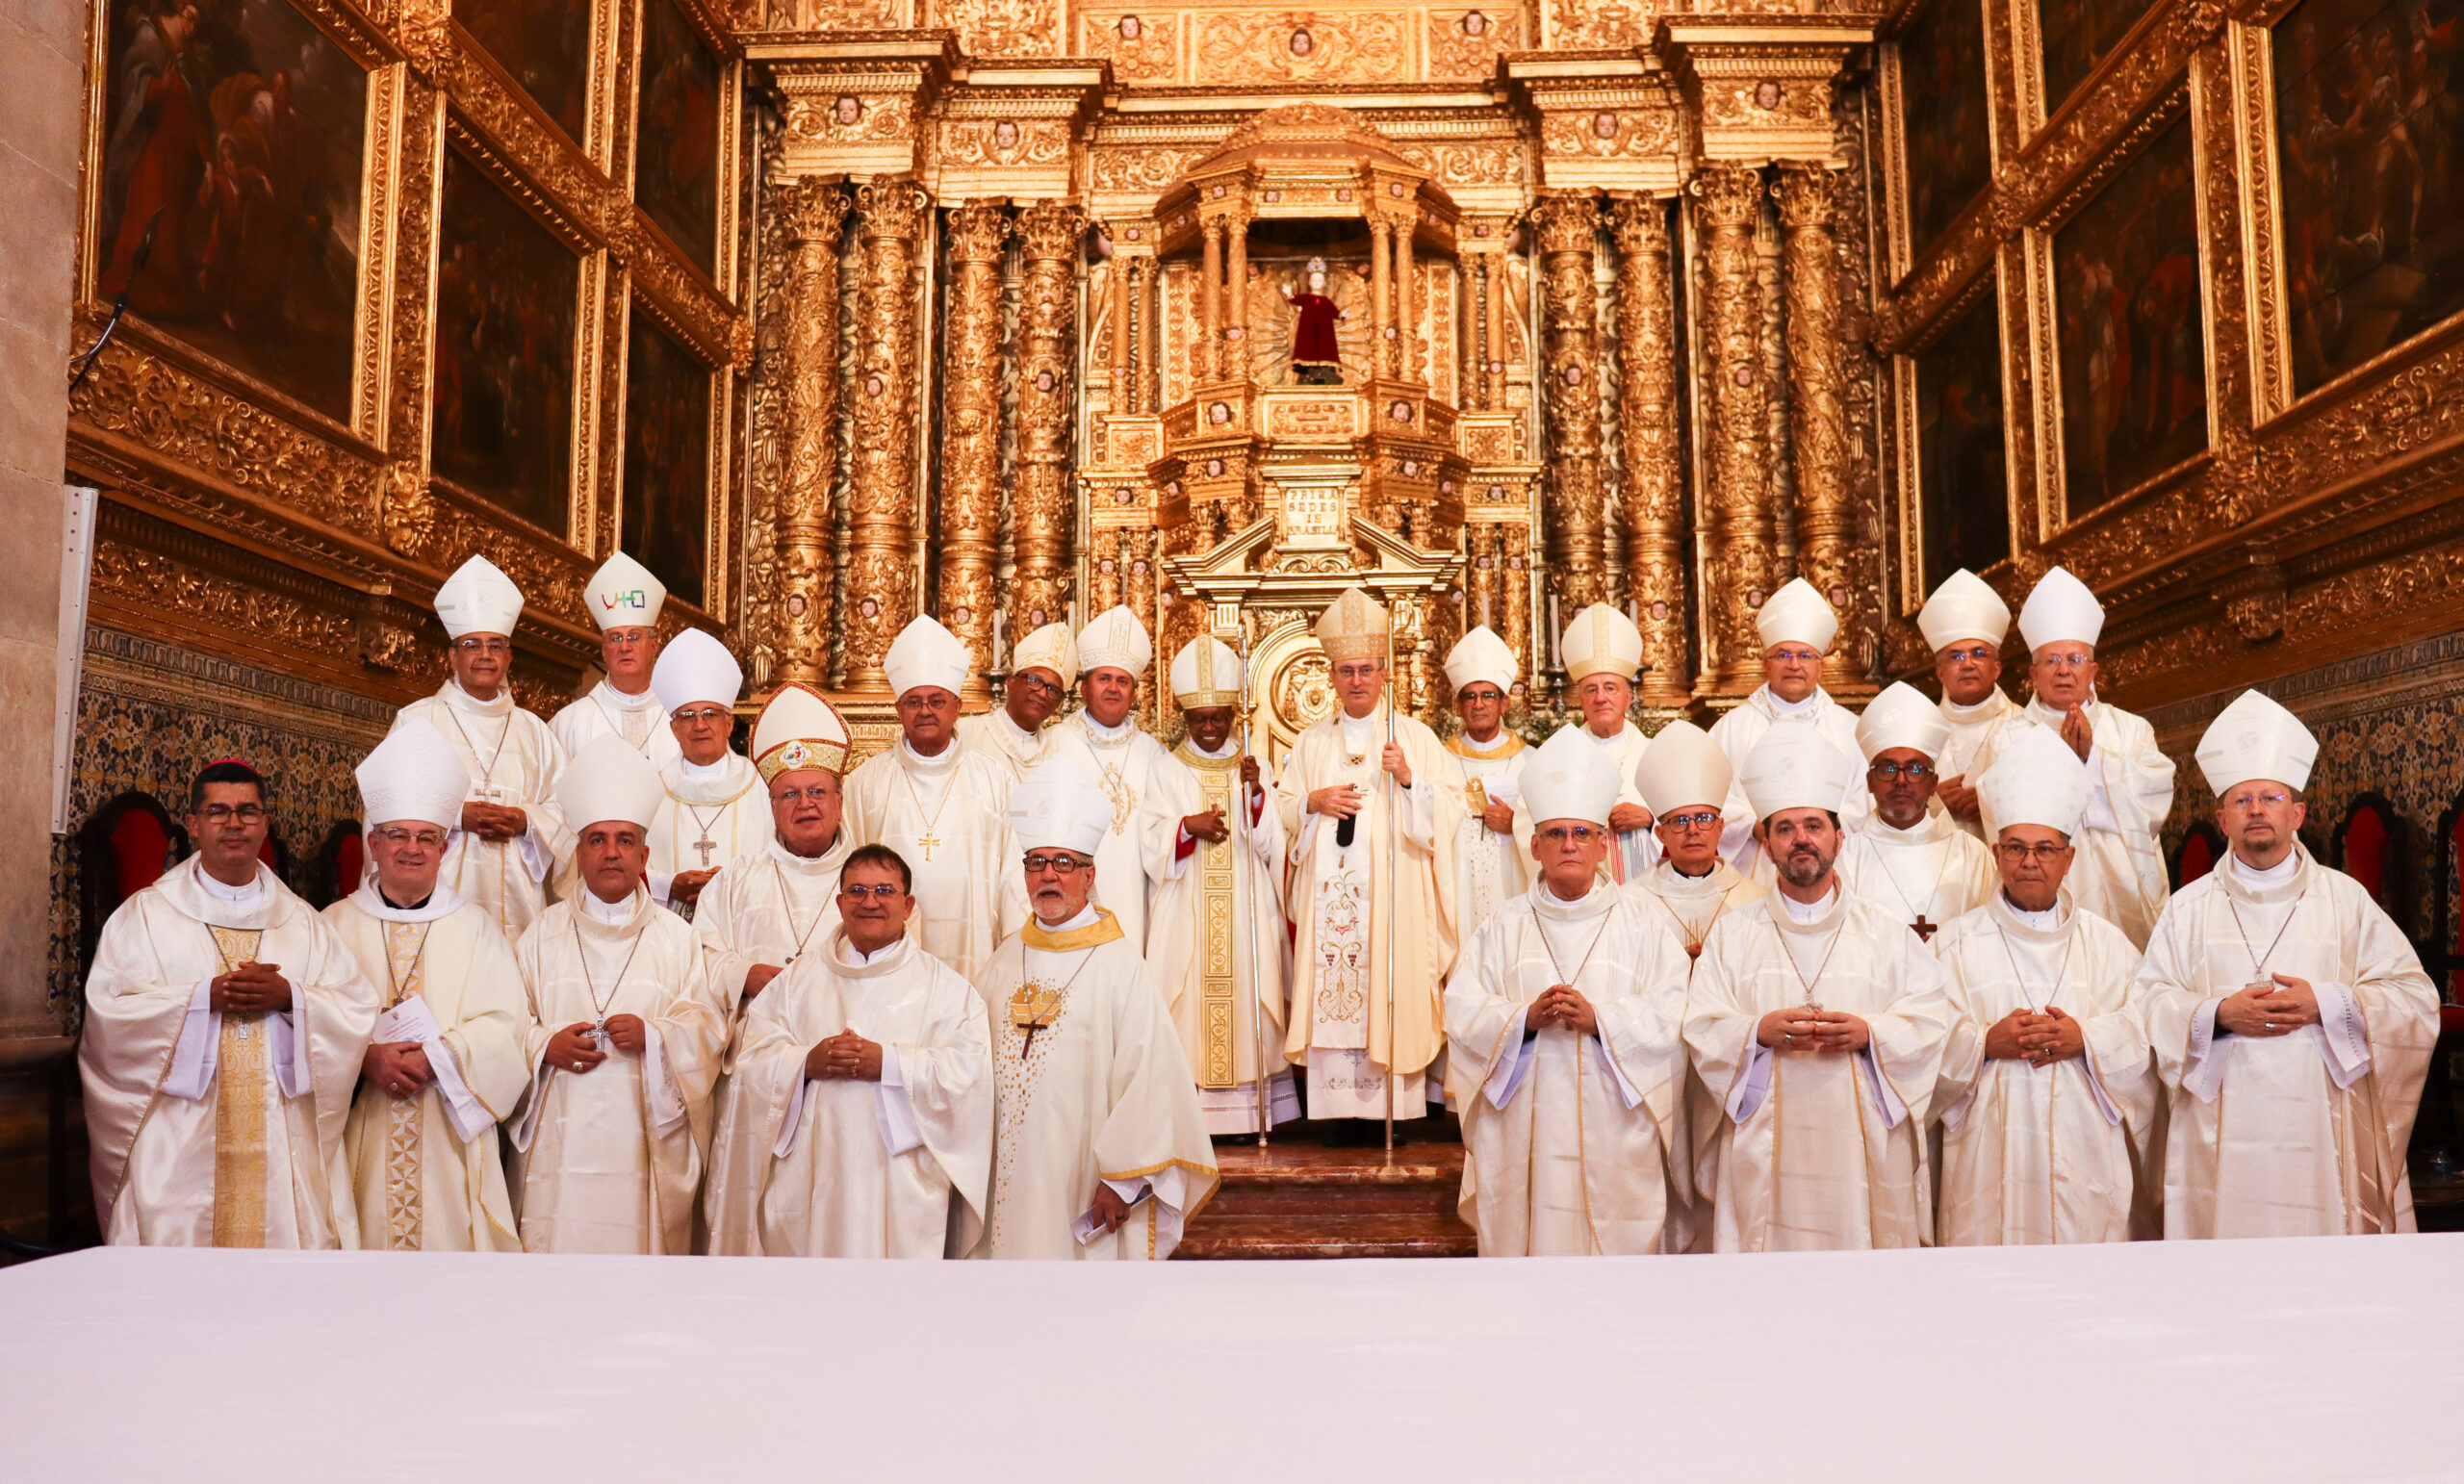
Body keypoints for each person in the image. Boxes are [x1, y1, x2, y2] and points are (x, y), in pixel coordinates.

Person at [2138, 690, 2436, 1238]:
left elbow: (2414, 997)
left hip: (2321, 1119)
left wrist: (2327, 1002)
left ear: (2296, 813)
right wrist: (2218, 1014)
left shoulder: (2345, 899)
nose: (2257, 809)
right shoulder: (2185, 909)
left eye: (2271, 797)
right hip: (2220, 1126)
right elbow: (2148, 1003)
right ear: (2222, 818)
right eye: (2242, 800)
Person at [80, 759, 379, 1247]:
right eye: (217, 811)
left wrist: (292, 998)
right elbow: (110, 1014)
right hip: (181, 1139)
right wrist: (202, 999)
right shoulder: (146, 916)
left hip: (280, 1133)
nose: (234, 823)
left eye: (247, 811)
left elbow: (355, 1007)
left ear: (266, 823)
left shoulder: (304, 922)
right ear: (193, 824)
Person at [1681, 728, 1951, 1251]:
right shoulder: (1733, 935)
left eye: (1813, 826)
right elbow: (1701, 1025)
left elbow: (1929, 1019)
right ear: (1767, 844)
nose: (1800, 838)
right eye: (1785, 828)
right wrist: (1755, 1032)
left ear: (1838, 838)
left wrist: (1871, 1034)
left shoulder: (1886, 934)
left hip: (1862, 1147)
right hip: (1764, 1148)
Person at [1444, 728, 1692, 1256]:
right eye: (1555, 833)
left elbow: (1672, 1010)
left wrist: (1602, 1020)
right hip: (1523, 1128)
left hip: (1615, 1126)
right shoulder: (1502, 926)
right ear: (1534, 846)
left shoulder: (1643, 924)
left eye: (1582, 832)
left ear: (1603, 844)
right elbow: (1463, 1010)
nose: (1570, 844)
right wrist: (1523, 1020)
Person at [971, 762, 1218, 1259]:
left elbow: (1151, 1079)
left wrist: (1122, 1180)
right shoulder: (1002, 962)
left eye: (1063, 862)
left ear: (1089, 875)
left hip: (1084, 1181)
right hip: (1006, 1177)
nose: (1048, 875)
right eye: (1036, 862)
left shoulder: (1121, 966)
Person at [708, 844, 992, 1258]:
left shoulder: (947, 991)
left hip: (900, 1184)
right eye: (857, 891)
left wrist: (889, 1064)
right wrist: (806, 1062)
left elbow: (969, 1077)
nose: (870, 902)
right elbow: (754, 1058)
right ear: (840, 903)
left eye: (885, 891)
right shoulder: (796, 982)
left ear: (908, 905)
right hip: (811, 1177)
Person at [1931, 726, 2156, 1246]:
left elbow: (2144, 1035)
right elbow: (1919, 1041)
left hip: (2086, 1157)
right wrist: (1984, 1043)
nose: (2029, 861)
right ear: (1996, 853)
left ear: (2068, 859)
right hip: (1986, 1159)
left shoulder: (2109, 946)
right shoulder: (1953, 945)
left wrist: (2086, 1039)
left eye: (2045, 849)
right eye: (2016, 848)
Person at [507, 735, 723, 1254]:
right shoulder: (541, 934)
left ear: (644, 855)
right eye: (597, 840)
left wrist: (655, 1036)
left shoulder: (678, 938)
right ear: (578, 852)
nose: (610, 853)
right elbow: (508, 1024)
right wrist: (544, 1046)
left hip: (643, 1144)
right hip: (558, 1142)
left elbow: (707, 1027)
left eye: (625, 840)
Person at [328, 723, 529, 1251]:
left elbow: (507, 1029)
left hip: (449, 1133)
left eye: (426, 837)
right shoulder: (330, 928)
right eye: (397, 835)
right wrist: (365, 1058)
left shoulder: (477, 929)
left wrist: (440, 1057)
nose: (411, 849)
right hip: (358, 1129)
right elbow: (307, 1026)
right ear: (374, 844)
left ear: (444, 848)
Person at [1273, 587, 1461, 1124]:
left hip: (1392, 902)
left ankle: (1392, 1112)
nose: (1356, 680)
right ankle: (1335, 1113)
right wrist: (1312, 802)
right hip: (1330, 899)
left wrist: (1409, 780)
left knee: (1389, 985)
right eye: (1346, 671)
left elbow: (1449, 810)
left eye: (1366, 670)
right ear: (1332, 676)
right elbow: (1284, 808)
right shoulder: (1311, 742)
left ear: (1383, 674)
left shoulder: (1414, 738)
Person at [692, 683, 861, 1252]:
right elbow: (699, 961)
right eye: (789, 794)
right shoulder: (736, 881)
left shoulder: (871, 880)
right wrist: (745, 975)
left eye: (816, 791)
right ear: (771, 806)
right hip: (761, 1081)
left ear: (840, 799)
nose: (805, 804)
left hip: (844, 1079)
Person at [1980, 566, 2174, 948]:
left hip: (2123, 894)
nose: (2064, 671)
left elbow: (2154, 799)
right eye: (2052, 661)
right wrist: (2067, 766)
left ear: (2093, 670)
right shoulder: (2006, 737)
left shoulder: (2131, 729)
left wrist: (2094, 761)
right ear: (2033, 673)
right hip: (2040, 890)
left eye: (2075, 659)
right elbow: (1997, 813)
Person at [1144, 636, 1293, 1137]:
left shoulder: (1253, 764)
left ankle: (1250, 1115)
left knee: (1250, 994)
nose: (1209, 728)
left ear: (1233, 715)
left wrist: (1256, 794)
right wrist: (1187, 826)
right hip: (1187, 907)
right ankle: (1194, 1115)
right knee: (1186, 1000)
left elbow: (1272, 843)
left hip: (1246, 907)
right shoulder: (1166, 768)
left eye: (1218, 718)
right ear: (1184, 718)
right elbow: (1150, 839)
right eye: (1198, 719)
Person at [392, 555, 572, 941]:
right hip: (438, 898)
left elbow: (565, 809)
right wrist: (458, 815)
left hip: (520, 906)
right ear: (452, 656)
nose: (485, 655)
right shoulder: (417, 722)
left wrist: (526, 822)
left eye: (496, 645)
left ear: (509, 657)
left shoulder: (535, 732)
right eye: (472, 645)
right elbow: (389, 804)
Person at [846, 615, 1031, 984]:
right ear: (899, 710)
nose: (925, 711)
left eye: (936, 701)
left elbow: (1013, 874)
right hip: (885, 957)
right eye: (913, 702)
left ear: (957, 707)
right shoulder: (865, 782)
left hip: (977, 953)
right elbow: (849, 871)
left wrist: (1015, 949)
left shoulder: (995, 779)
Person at [1704, 577, 1866, 871]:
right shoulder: (1731, 729)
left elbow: (1864, 802)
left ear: (1821, 667)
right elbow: (1709, 796)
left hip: (1830, 866)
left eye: (1805, 656)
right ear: (1766, 664)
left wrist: (1819, 834)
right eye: (1783, 655)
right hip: (1755, 866)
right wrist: (1752, 826)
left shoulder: (1850, 729)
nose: (1794, 665)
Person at [1045, 605, 1179, 947]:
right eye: (1104, 679)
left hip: (1137, 896)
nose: (1113, 689)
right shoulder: (1054, 744)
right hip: (1069, 896)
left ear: (1134, 694)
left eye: (1123, 681)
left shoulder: (1155, 755)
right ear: (1084, 688)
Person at [1835, 681, 1997, 944]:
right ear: (1869, 782)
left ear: (1933, 784)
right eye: (1888, 769)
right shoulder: (1847, 859)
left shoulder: (1972, 855)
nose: (1901, 780)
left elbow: (1990, 941)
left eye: (1915, 769)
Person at [642, 628, 763, 915]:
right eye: (687, 716)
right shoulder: (650, 793)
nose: (700, 725)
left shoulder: (761, 788)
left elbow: (782, 863)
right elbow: (631, 866)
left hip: (744, 923)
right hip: (670, 927)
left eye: (710, 714)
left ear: (729, 724)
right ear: (674, 728)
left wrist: (735, 883)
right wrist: (669, 885)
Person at [1624, 721, 1766, 961]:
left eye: (1703, 819)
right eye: (1680, 821)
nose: (1692, 830)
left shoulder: (1756, 899)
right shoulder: (1631, 903)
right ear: (1661, 834)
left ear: (1720, 828)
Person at [1543, 603, 1656, 881]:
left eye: (1610, 688)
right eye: (1591, 690)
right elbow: (1532, 823)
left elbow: (1689, 819)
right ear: (1580, 700)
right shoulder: (1558, 756)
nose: (1601, 698)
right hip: (1579, 888)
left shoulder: (1655, 756)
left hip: (1645, 884)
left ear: (1628, 698)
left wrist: (1650, 819)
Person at [550, 551, 680, 771]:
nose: (624, 647)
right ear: (604, 651)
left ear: (653, 647)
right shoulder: (569, 723)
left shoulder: (679, 718)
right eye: (616, 638)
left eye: (634, 637)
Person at [1440, 625, 1529, 940]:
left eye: (1488, 695)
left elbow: (1549, 828)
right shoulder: (1439, 762)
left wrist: (1516, 823)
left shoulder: (1530, 761)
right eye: (1470, 696)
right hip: (1458, 882)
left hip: (1514, 883)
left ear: (1504, 703)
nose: (1479, 704)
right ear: (1459, 705)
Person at [1919, 568, 2022, 839]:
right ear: (1940, 672)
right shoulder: (1918, 732)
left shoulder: (2025, 728)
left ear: (1996, 668)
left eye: (1979, 654)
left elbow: (2048, 797)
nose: (1967, 664)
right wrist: (1930, 802)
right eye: (1955, 656)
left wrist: (1991, 803)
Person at [957, 621, 1077, 780]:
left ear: (1058, 704)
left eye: (1053, 690)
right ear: (1011, 683)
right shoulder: (967, 733)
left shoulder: (1057, 755)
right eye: (1034, 680)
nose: (1042, 693)